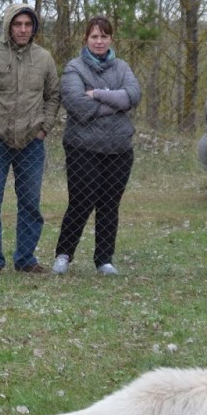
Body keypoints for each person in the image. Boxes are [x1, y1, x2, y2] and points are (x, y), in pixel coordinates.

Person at [51, 16, 141, 277]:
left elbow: (133, 96)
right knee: (81, 202)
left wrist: (98, 94)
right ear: (86, 39)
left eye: (104, 36)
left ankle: (104, 259)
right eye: (94, 36)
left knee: (109, 204)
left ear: (111, 39)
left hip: (119, 148)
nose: (99, 41)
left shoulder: (122, 67)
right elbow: (77, 105)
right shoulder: (74, 68)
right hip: (83, 148)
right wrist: (116, 102)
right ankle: (64, 255)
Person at [0, 2, 60, 275]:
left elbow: (53, 96)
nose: (23, 29)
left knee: (30, 203)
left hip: (31, 142)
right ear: (8, 26)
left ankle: (26, 259)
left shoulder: (44, 58)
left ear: (34, 27)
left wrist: (44, 129)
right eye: (18, 24)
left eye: (28, 24)